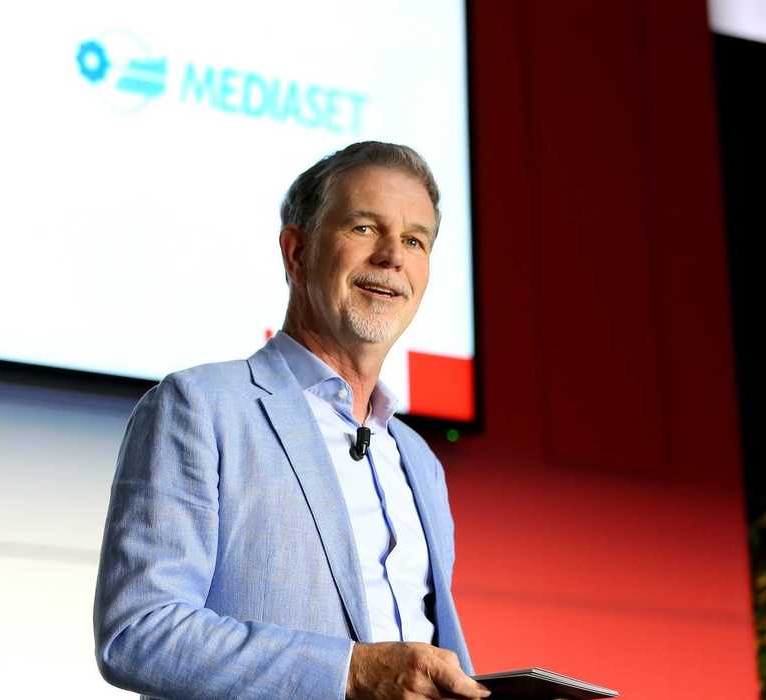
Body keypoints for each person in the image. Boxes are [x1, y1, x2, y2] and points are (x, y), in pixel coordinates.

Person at [93, 142, 489, 700]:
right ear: (296, 252)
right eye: (363, 228)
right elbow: (139, 633)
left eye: (414, 240)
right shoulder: (200, 408)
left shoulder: (419, 461)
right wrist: (351, 673)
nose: (392, 257)